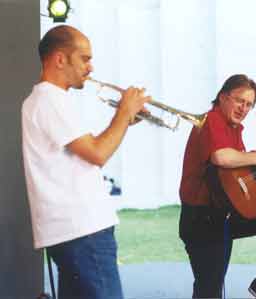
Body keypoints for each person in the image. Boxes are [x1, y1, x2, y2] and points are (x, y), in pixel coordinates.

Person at [22, 25, 150, 299]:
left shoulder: (47, 100)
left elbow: (90, 152)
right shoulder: (50, 99)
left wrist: (125, 120)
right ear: (59, 59)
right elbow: (98, 153)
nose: (90, 68)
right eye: (84, 58)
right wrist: (124, 112)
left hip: (74, 231)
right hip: (82, 231)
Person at [178, 74, 256, 299]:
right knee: (210, 288)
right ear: (223, 97)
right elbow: (221, 158)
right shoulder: (212, 120)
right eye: (239, 101)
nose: (244, 108)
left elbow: (241, 180)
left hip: (225, 211)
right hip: (202, 218)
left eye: (249, 104)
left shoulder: (234, 128)